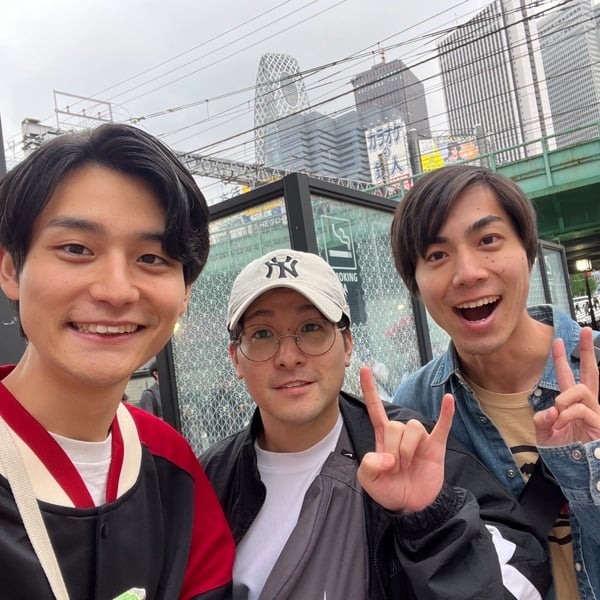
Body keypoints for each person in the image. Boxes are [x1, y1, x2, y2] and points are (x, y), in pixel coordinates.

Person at [201, 248, 551, 600]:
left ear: (347, 345)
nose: (289, 357)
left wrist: (431, 518)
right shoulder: (209, 480)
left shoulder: (414, 450)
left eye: (311, 328)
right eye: (262, 334)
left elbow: (522, 581)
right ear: (236, 359)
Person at [0, 123, 234, 599]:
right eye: (76, 249)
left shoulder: (173, 467)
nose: (116, 291)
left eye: (152, 258)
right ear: (10, 269)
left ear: (185, 292)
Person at [390, 164, 600, 599]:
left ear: (527, 250)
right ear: (416, 284)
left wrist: (589, 464)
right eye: (437, 255)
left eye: (487, 240)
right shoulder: (417, 407)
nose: (467, 273)